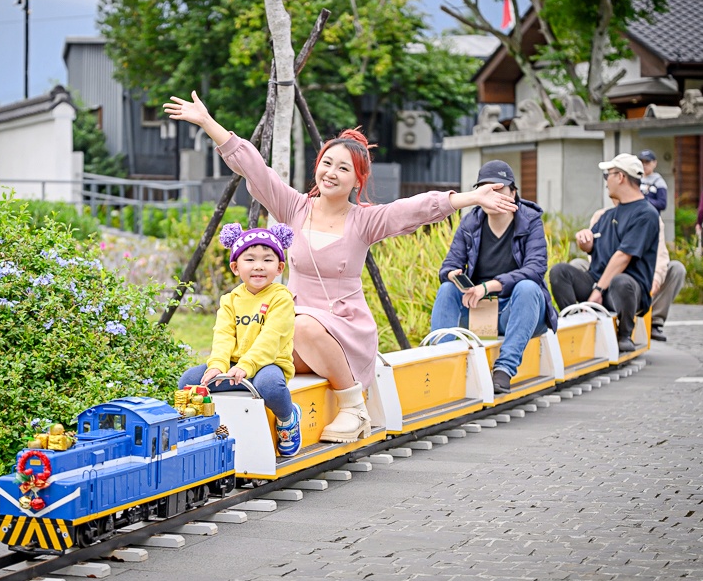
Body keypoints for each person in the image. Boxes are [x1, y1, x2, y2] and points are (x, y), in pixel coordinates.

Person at [164, 91, 518, 443]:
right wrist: (208, 123)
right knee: (266, 345)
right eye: (327, 163)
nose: (331, 173)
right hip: (293, 330)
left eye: (343, 168)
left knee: (300, 324)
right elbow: (255, 169)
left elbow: (413, 209)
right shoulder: (296, 208)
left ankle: (354, 407)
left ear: (357, 180)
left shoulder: (364, 220)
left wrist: (470, 197)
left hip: (343, 329)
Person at [430, 160, 558, 395]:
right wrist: (453, 275)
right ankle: (440, 363)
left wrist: (488, 286)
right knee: (447, 289)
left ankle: (504, 370)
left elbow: (535, 268)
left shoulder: (530, 220)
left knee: (529, 287)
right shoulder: (470, 222)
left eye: (499, 189)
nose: (493, 195)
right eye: (486, 189)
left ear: (514, 193)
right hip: (481, 312)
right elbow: (448, 265)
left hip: (519, 312)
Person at [177, 222, 302, 457]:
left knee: (270, 387)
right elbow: (223, 335)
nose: (258, 266)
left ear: (279, 267)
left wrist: (247, 366)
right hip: (234, 367)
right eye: (250, 259)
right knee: (190, 380)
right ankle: (201, 430)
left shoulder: (281, 298)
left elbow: (271, 337)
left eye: (267, 260)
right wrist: (217, 366)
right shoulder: (230, 300)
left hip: (268, 364)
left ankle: (288, 418)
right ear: (235, 267)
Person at [549, 154, 660, 354]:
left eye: (607, 175)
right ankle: (574, 324)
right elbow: (597, 248)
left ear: (620, 177)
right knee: (559, 272)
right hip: (597, 283)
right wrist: (587, 244)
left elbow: (623, 256)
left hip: (625, 292)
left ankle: (624, 334)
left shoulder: (646, 214)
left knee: (620, 281)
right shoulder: (608, 215)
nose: (606, 182)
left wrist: (597, 292)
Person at [575, 202, 686, 343]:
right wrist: (585, 243)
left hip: (636, 275)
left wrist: (656, 278)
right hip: (603, 275)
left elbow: (660, 254)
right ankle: (581, 316)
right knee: (576, 265)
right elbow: (594, 256)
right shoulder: (601, 215)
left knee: (676, 269)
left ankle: (655, 321)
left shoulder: (648, 215)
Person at [638, 149, 668, 213]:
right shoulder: (636, 179)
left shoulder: (659, 181)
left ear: (655, 163)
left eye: (647, 162)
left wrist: (645, 200)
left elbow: (662, 204)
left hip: (651, 217)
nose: (644, 165)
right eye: (642, 162)